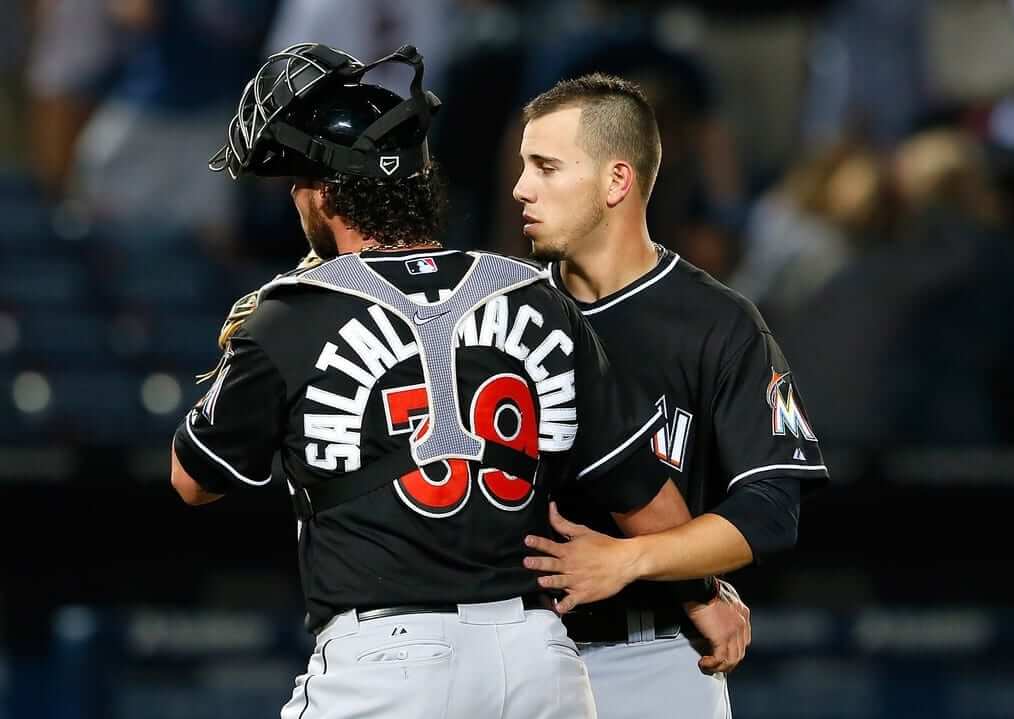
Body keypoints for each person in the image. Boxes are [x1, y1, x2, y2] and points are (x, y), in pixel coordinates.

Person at [169, 44, 693, 719]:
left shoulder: (292, 313)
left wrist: (254, 357)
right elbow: (658, 517)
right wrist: (704, 596)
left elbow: (193, 478)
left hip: (388, 659)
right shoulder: (536, 295)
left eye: (300, 182)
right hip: (539, 659)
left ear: (327, 192)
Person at [512, 73, 830, 718]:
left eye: (546, 167)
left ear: (616, 181)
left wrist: (632, 560)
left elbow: (770, 508)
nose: (521, 187)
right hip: (513, 653)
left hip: (652, 658)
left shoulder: (717, 322)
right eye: (524, 166)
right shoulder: (502, 314)